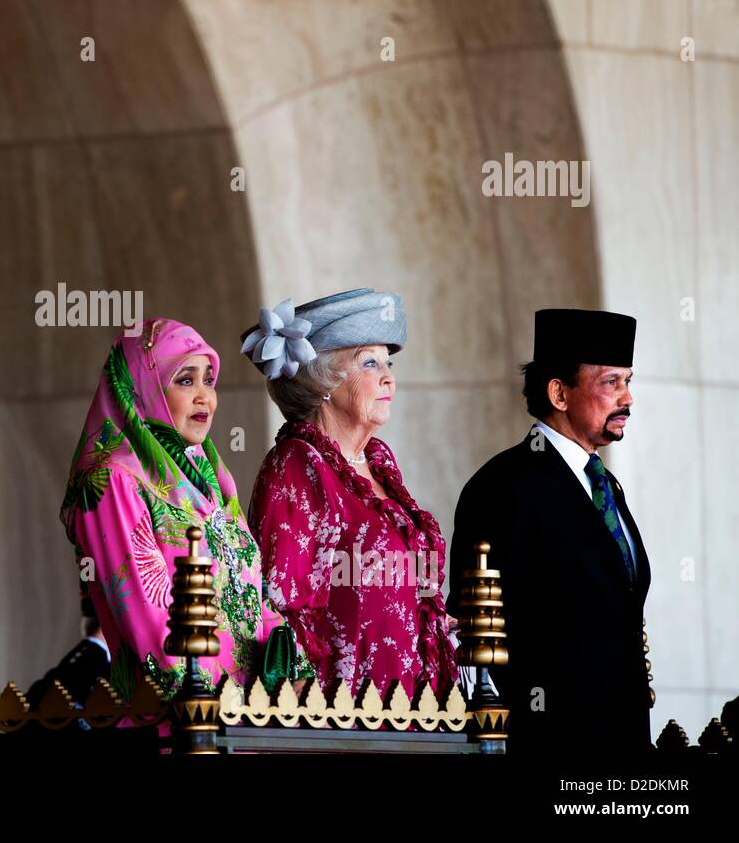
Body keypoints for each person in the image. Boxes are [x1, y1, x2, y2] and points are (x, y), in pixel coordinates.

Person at [450, 308, 651, 753]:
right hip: (549, 742)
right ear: (559, 393)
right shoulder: (503, 485)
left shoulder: (604, 484)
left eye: (629, 381)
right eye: (610, 382)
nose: (628, 398)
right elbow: (479, 633)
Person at [244, 290, 458, 702]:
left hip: (414, 698)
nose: (389, 378)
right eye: (369, 363)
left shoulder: (377, 461)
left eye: (388, 363)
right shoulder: (296, 464)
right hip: (344, 708)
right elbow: (281, 602)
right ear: (324, 379)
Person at [59, 317, 273, 700]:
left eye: (209, 379)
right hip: (178, 723)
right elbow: (146, 622)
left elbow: (251, 599)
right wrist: (206, 709)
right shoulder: (113, 482)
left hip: (248, 720)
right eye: (186, 380)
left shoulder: (212, 482)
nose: (205, 396)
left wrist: (287, 660)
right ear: (142, 388)